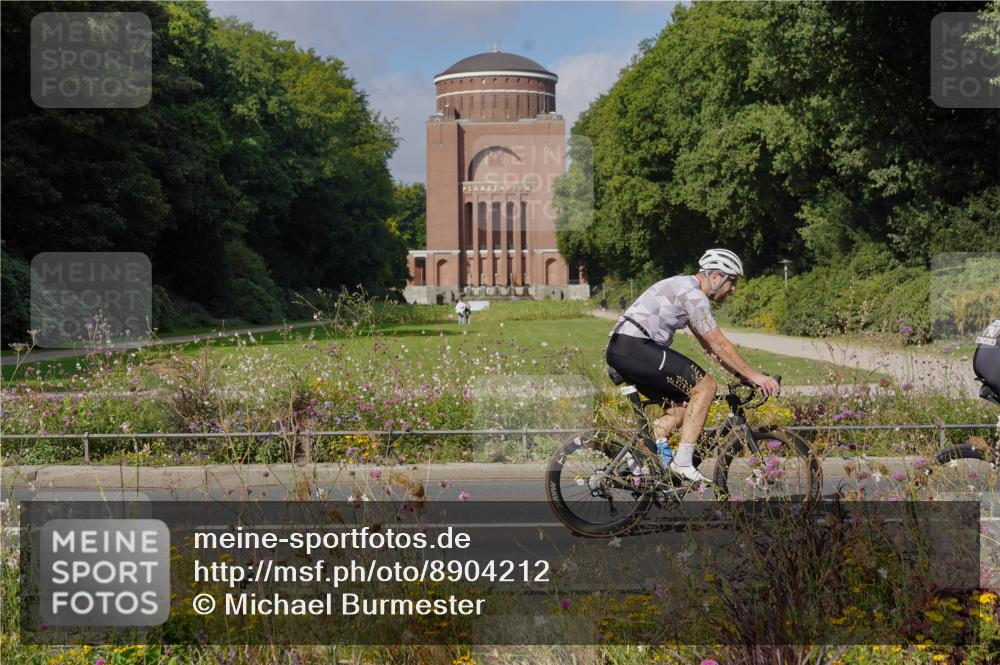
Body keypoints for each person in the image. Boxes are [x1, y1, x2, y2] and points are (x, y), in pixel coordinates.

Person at [605, 249, 780, 483]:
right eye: (733, 281)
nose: (734, 289)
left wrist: (741, 375)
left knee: (684, 404)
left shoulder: (684, 288)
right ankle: (683, 462)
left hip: (626, 349)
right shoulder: (693, 294)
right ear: (716, 276)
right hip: (635, 347)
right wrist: (756, 377)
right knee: (705, 386)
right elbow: (718, 342)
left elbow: (709, 347)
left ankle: (639, 455)